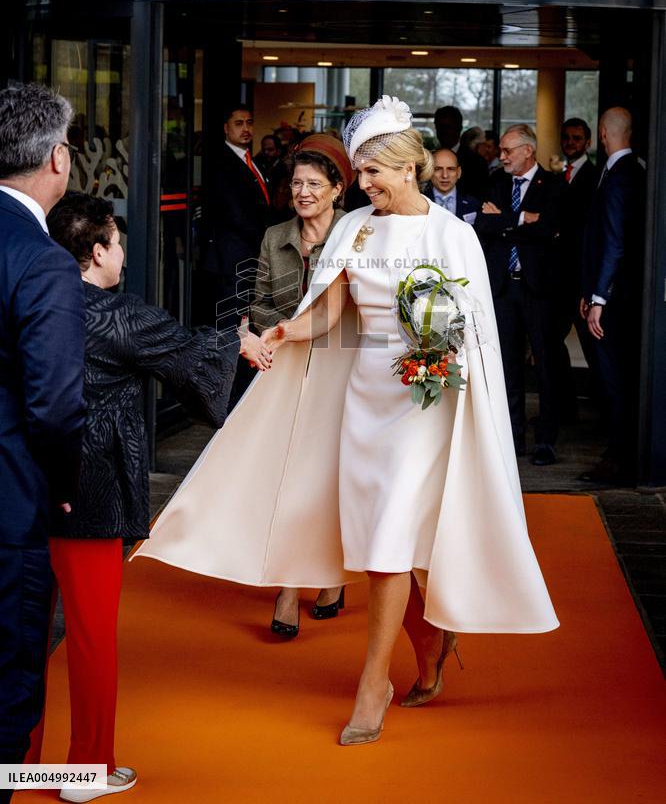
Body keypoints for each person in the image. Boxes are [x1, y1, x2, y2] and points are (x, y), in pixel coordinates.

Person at [135, 96, 558, 747]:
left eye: (371, 173)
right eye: (358, 174)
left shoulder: (453, 235)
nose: (362, 185)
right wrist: (284, 327)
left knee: (389, 540)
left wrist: (434, 357)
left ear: (407, 165)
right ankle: (432, 640)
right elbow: (329, 312)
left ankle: (373, 683)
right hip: (364, 406)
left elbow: (471, 331)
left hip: (425, 404)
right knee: (384, 550)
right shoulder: (355, 228)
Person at [27, 193, 270, 803]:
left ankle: (21, 761)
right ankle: (87, 772)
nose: (122, 256)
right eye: (116, 242)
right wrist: (240, 340)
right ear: (98, 250)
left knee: (24, 630)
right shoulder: (115, 314)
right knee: (88, 635)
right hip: (92, 489)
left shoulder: (29, 304)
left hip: (26, 483)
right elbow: (190, 351)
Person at [0, 84, 86, 800]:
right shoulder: (43, 260)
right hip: (8, 505)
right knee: (6, 690)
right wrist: (63, 487)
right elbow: (55, 407)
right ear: (57, 158)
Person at [251, 134, 351, 637]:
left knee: (332, 476)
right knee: (289, 475)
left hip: (343, 368)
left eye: (314, 183)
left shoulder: (359, 236)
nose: (303, 192)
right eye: (296, 183)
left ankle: (331, 576)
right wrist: (286, 328)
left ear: (337, 188)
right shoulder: (274, 237)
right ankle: (290, 586)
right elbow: (261, 302)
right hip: (290, 365)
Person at [475, 124, 568, 466]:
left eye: (507, 150)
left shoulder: (554, 186)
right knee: (507, 365)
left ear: (528, 150)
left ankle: (546, 440)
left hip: (538, 289)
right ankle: (513, 439)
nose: (501, 157)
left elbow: (552, 230)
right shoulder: (497, 183)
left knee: (545, 366)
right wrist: (524, 219)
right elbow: (484, 226)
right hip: (503, 288)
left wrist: (508, 223)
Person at [580, 107, 646, 484]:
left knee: (614, 378)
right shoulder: (630, 171)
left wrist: (599, 298)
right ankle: (619, 452)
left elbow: (615, 243)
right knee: (615, 376)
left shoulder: (620, 177)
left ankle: (619, 458)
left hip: (615, 300)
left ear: (604, 133)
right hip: (612, 294)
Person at [200, 104, 271, 329]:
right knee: (232, 318)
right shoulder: (222, 162)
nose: (246, 128)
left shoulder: (250, 159)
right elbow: (234, 212)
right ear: (225, 128)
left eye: (249, 123)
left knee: (244, 316)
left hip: (247, 252)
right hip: (232, 255)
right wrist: (267, 238)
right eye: (238, 123)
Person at [555, 118, 600, 419]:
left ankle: (601, 411)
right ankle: (565, 407)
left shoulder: (595, 176)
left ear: (588, 142)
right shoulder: (555, 177)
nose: (571, 142)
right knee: (554, 344)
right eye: (567, 138)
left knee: (593, 348)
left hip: (581, 276)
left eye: (577, 138)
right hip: (556, 278)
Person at [434, 105, 488, 199]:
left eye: (449, 126)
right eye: (441, 126)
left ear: (459, 128)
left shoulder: (476, 162)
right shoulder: (428, 159)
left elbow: (480, 197)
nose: (444, 131)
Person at [424, 148, 481, 223]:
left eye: (451, 169)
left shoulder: (474, 204)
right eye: (438, 169)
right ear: (429, 171)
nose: (445, 175)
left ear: (459, 172)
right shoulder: (419, 203)